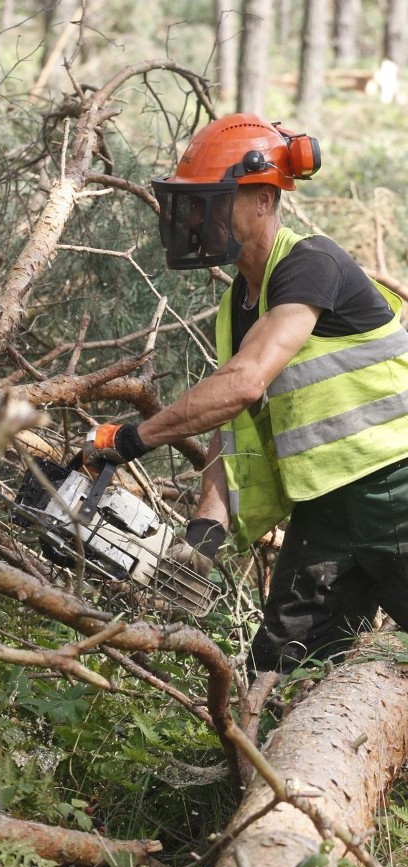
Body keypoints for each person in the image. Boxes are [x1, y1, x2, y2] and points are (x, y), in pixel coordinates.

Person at [82, 112, 408, 675]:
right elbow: (231, 425)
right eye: (193, 204)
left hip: (398, 494)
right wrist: (202, 538)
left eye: (213, 201)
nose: (197, 219)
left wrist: (133, 438)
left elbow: (244, 382)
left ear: (262, 199)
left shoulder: (313, 265)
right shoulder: (240, 301)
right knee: (277, 670)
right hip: (327, 511)